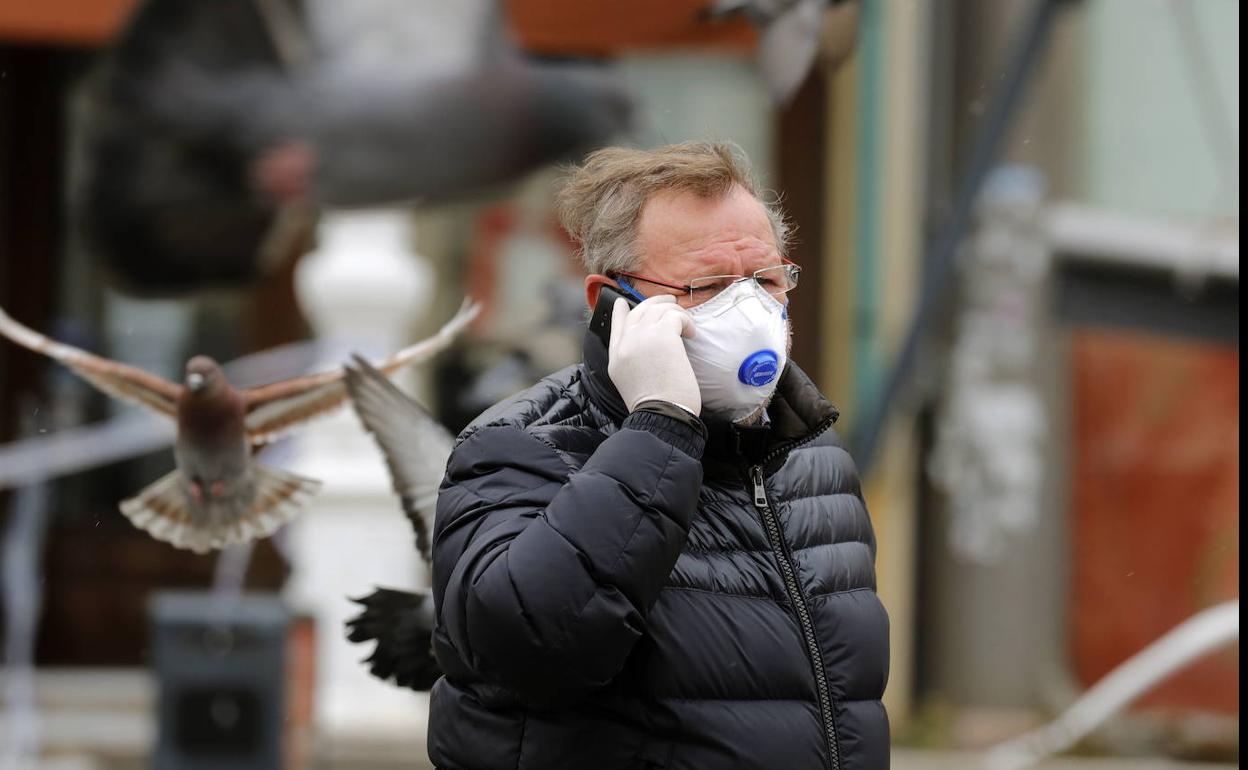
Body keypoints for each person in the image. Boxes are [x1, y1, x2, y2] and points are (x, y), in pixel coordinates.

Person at [428, 142, 888, 769]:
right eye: (709, 286)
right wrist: (660, 429)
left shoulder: (811, 455)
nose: (750, 310)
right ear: (614, 302)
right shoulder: (518, 448)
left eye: (766, 279)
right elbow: (532, 649)